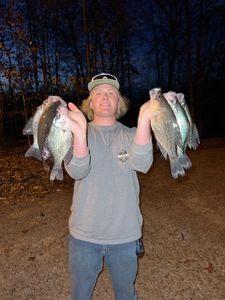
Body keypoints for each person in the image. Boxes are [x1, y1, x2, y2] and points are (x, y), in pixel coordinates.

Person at [65, 73, 153, 300]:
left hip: (125, 235)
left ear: (119, 102)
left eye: (111, 93)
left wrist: (144, 118)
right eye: (98, 93)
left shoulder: (133, 134)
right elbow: (77, 170)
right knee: (80, 295)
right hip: (84, 236)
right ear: (90, 103)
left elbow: (143, 164)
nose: (105, 97)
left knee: (126, 295)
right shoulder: (75, 133)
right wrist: (79, 134)